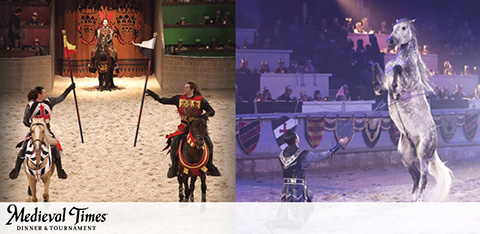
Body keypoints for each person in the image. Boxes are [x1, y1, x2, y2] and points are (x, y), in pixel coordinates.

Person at [146, 82, 221, 178]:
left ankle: (210, 166)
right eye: (185, 87)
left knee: (209, 144)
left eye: (186, 87)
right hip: (184, 126)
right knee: (174, 142)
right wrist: (154, 95)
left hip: (197, 128)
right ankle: (174, 167)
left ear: (192, 90)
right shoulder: (179, 99)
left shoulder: (200, 100)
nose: (184, 89)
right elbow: (164, 100)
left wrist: (205, 116)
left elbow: (212, 111)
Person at [9, 83, 76, 180]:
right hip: (35, 131)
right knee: (24, 147)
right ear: (39, 94)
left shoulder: (49, 102)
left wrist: (69, 89)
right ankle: (16, 169)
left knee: (54, 147)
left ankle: (60, 170)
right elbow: (25, 120)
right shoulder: (30, 106)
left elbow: (61, 98)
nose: (46, 94)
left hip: (47, 130)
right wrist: (33, 127)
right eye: (44, 92)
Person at [279, 129, 348, 202]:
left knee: (308, 195)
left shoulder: (281, 155)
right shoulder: (304, 155)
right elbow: (327, 154)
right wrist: (340, 143)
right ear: (296, 140)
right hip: (298, 190)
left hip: (286, 190)